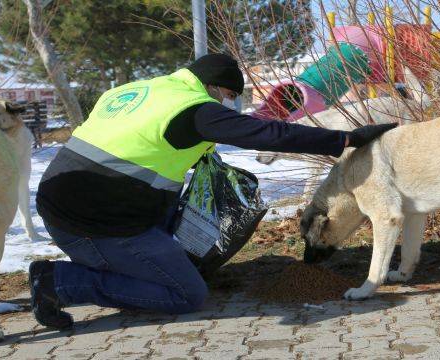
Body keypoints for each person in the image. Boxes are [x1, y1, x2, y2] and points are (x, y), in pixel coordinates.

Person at [31, 53, 395, 329]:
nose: (224, 105)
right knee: (186, 293)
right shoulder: (194, 111)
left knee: (176, 249)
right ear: (214, 87)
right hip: (93, 224)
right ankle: (61, 282)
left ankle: (138, 266)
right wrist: (345, 139)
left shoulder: (138, 90)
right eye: (226, 96)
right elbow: (271, 133)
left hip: (70, 203)